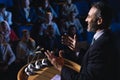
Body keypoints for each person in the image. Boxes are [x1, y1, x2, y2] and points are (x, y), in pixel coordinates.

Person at [45, 1, 118, 80]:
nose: (86, 19)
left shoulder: (101, 46)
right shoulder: (107, 37)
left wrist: (60, 67)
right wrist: (77, 51)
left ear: (99, 21)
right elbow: (92, 62)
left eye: (89, 16)